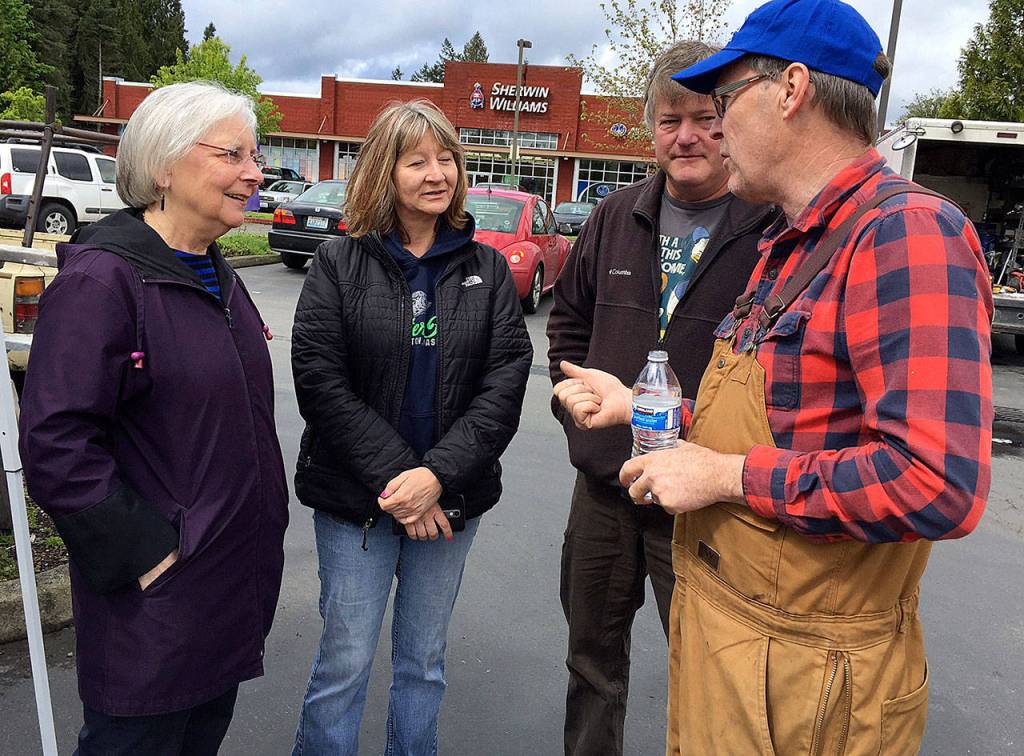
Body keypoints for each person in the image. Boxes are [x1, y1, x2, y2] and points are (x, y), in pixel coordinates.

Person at [554, 0, 993, 752]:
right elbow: (784, 423)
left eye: (724, 103)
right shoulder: (790, 242)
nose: (713, 128)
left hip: (810, 687)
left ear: (790, 91)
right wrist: (646, 409)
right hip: (740, 662)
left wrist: (726, 478)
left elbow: (937, 484)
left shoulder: (906, 235)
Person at [18, 81, 290, 755]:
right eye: (232, 154)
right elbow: (56, 443)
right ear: (163, 166)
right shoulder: (102, 281)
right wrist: (146, 553)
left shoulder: (215, 275)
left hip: (225, 594)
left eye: (254, 155)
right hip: (155, 609)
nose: (255, 172)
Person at [547, 40, 778, 756]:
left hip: (707, 505)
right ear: (650, 129)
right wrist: (572, 402)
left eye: (707, 119)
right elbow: (567, 325)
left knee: (712, 679)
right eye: (669, 119)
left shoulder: (771, 228)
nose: (688, 137)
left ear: (733, 120)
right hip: (605, 494)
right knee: (591, 665)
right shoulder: (616, 215)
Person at [290, 99, 532, 755]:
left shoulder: (487, 270)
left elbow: (505, 380)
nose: (438, 172)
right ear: (383, 173)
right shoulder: (338, 263)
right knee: (343, 666)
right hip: (357, 503)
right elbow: (320, 380)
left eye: (447, 156)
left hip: (449, 504)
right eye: (417, 160)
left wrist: (436, 477)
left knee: (423, 667)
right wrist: (403, 479)